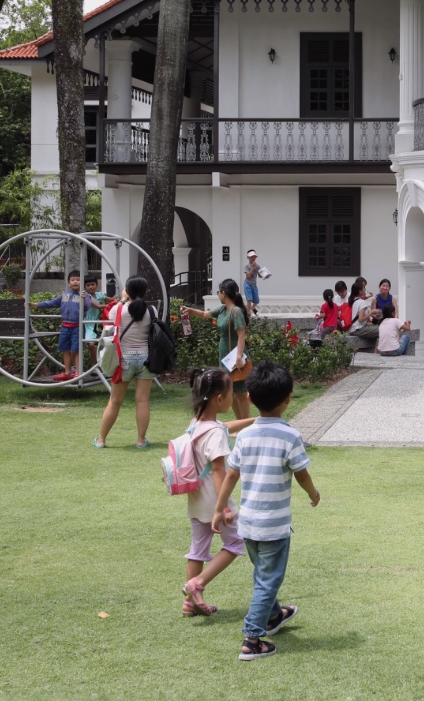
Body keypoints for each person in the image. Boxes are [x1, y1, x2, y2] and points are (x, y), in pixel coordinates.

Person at [213, 362, 320, 661]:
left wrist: (219, 509)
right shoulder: (290, 437)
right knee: (269, 579)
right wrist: (314, 494)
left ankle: (273, 616)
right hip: (274, 526)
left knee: (263, 574)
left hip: (248, 524)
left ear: (248, 398)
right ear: (288, 399)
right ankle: (252, 639)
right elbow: (301, 474)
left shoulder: (244, 436)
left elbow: (231, 475)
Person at [180, 368, 257, 617]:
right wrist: (222, 508)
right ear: (219, 399)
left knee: (198, 549)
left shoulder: (197, 424)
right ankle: (197, 584)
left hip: (196, 498)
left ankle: (191, 603)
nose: (234, 395)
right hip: (215, 500)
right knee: (235, 543)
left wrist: (257, 420)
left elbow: (226, 426)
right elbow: (218, 470)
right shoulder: (215, 434)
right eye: (231, 391)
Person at [93, 276, 160, 449]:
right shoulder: (151, 310)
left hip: (124, 359)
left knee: (115, 401)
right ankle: (140, 440)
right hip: (146, 359)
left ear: (127, 291)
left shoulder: (118, 309)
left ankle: (101, 440)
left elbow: (108, 317)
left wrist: (123, 300)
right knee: (142, 401)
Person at [183, 279, 252, 421]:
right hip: (225, 357)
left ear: (224, 293)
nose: (218, 295)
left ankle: (245, 424)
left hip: (235, 356)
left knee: (241, 393)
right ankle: (239, 422)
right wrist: (189, 310)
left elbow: (241, 335)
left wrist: (239, 357)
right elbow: (204, 315)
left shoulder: (236, 311)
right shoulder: (222, 309)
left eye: (218, 292)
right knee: (230, 391)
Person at [38, 269, 88, 381]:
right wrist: (36, 305)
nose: (75, 282)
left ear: (82, 282)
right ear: (69, 282)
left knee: (76, 349)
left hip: (77, 326)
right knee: (65, 349)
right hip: (65, 326)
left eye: (78, 280)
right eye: (73, 280)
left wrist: (83, 298)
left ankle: (78, 373)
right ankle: (67, 372)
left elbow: (86, 307)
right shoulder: (65, 294)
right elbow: (52, 303)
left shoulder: (84, 295)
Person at [81, 274, 107, 368]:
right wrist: (112, 304)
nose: (91, 287)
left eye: (92, 284)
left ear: (96, 284)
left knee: (98, 343)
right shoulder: (86, 296)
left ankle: (96, 365)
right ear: (84, 287)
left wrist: (116, 300)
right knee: (90, 344)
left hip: (94, 323)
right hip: (85, 322)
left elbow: (110, 299)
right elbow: (98, 306)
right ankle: (94, 365)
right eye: (88, 285)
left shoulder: (100, 294)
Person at [242, 250, 270, 315]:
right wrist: (252, 268)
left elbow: (259, 276)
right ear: (248, 258)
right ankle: (248, 313)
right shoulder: (247, 266)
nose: (253, 258)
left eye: (254, 257)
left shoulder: (258, 266)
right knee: (249, 299)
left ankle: (252, 307)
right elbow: (248, 275)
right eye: (251, 257)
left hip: (254, 285)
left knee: (257, 300)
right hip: (247, 284)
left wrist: (265, 275)